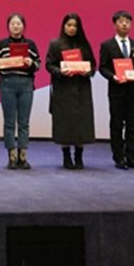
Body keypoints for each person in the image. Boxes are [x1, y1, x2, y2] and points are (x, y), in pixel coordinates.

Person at [45, 13, 96, 170]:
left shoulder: (84, 44)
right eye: (69, 25)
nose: (72, 28)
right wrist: (61, 71)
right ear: (64, 26)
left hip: (81, 88)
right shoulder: (55, 44)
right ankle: (66, 156)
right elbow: (49, 65)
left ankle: (79, 156)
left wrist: (88, 71)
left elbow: (93, 65)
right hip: (63, 88)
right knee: (64, 123)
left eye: (75, 25)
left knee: (82, 122)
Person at [0, 13, 40, 170]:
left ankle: (23, 156)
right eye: (13, 23)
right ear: (8, 26)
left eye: (19, 23)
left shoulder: (30, 44)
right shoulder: (1, 45)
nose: (16, 26)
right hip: (7, 84)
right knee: (9, 122)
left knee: (24, 122)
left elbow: (38, 65)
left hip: (26, 85)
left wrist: (31, 62)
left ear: (23, 26)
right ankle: (11, 156)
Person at [98, 10, 134, 170]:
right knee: (117, 125)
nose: (124, 24)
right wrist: (113, 77)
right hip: (117, 91)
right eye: (121, 22)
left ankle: (131, 157)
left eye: (127, 22)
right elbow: (102, 67)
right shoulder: (107, 45)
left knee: (133, 126)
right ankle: (118, 157)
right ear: (115, 25)